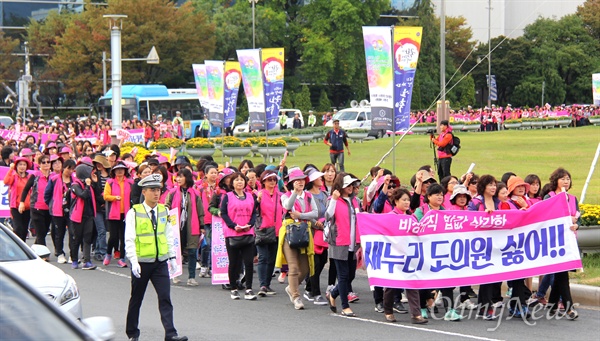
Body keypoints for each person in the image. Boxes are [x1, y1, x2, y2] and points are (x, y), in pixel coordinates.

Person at [124, 174, 188, 341]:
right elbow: (129, 238)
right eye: (152, 190)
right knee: (136, 298)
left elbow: (168, 235)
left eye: (158, 190)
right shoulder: (134, 213)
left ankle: (171, 334)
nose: (156, 193)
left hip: (160, 263)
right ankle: (132, 333)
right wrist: (133, 261)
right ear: (144, 192)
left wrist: (172, 258)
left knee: (165, 297)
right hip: (142, 263)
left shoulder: (163, 210)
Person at [383, 188, 427, 324]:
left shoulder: (412, 217)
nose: (407, 202)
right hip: (395, 255)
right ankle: (388, 310)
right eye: (404, 200)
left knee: (412, 283)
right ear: (396, 201)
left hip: (409, 255)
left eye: (408, 199)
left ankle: (416, 314)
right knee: (391, 285)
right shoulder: (391, 216)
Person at [276, 168, 318, 310]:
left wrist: (300, 215)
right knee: (293, 267)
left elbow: (315, 213)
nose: (300, 182)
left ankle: (291, 286)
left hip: (304, 232)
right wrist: (294, 192)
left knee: (305, 268)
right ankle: (296, 296)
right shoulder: (285, 195)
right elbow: (287, 206)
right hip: (290, 233)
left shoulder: (308, 196)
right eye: (297, 180)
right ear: (291, 182)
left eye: (302, 179)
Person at [542, 168, 579, 320]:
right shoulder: (549, 197)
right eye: (563, 178)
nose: (566, 181)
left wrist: (576, 224)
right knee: (562, 273)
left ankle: (551, 306)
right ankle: (569, 308)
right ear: (556, 181)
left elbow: (578, 216)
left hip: (569, 240)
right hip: (554, 241)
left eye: (568, 179)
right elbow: (544, 216)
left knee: (560, 274)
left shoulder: (573, 198)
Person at [325, 173, 361, 317]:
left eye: (352, 185)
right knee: (343, 275)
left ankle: (333, 293)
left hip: (354, 243)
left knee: (351, 275)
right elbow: (328, 216)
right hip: (339, 242)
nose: (351, 187)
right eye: (348, 185)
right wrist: (333, 199)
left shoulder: (355, 201)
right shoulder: (333, 200)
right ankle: (345, 305)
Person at [220, 172, 259, 301]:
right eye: (236, 180)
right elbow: (224, 213)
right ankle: (233, 288)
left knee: (248, 262)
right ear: (232, 183)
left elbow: (254, 213)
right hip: (232, 233)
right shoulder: (227, 196)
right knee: (234, 262)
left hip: (248, 232)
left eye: (242, 180)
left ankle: (248, 288)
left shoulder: (250, 196)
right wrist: (232, 225)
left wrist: (250, 224)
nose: (239, 182)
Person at [165, 169, 204, 286]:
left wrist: (202, 226)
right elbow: (166, 206)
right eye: (178, 177)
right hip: (176, 226)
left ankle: (191, 277)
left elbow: (200, 211)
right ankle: (175, 274)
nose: (178, 179)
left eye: (181, 177)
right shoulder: (172, 192)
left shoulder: (195, 193)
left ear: (187, 178)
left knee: (192, 251)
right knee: (176, 251)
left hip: (192, 226)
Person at [255, 170, 282, 296]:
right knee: (263, 257)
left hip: (276, 231)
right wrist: (258, 201)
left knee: (272, 259)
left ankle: (267, 284)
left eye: (274, 180)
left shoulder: (280, 196)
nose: (272, 182)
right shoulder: (259, 194)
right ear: (263, 181)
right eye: (269, 179)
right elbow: (253, 209)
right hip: (263, 230)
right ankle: (263, 285)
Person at [44, 159, 76, 264]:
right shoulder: (54, 179)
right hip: (58, 210)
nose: (70, 171)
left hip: (71, 210)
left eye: (72, 169)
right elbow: (47, 194)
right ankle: (60, 253)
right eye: (68, 168)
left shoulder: (74, 180)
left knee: (73, 232)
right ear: (64, 167)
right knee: (59, 233)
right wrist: (52, 204)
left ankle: (73, 254)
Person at [104, 162, 134, 268]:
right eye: (117, 169)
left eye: (122, 169)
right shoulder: (110, 182)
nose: (120, 171)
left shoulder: (130, 183)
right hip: (113, 213)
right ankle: (108, 253)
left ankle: (122, 258)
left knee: (124, 237)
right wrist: (114, 198)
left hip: (126, 214)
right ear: (114, 171)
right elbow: (106, 196)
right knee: (113, 236)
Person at [69, 159, 97, 270]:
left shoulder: (89, 184)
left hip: (88, 215)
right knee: (77, 238)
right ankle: (74, 260)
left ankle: (87, 261)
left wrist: (93, 183)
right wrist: (87, 186)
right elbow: (83, 195)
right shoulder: (75, 185)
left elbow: (97, 193)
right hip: (77, 216)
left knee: (87, 238)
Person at [4, 157, 33, 241]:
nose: (22, 166)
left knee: (24, 230)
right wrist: (10, 170)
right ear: (16, 166)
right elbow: (6, 182)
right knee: (18, 229)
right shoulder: (14, 176)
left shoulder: (29, 177)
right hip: (15, 206)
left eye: (24, 164)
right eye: (20, 164)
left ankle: (22, 248)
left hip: (27, 207)